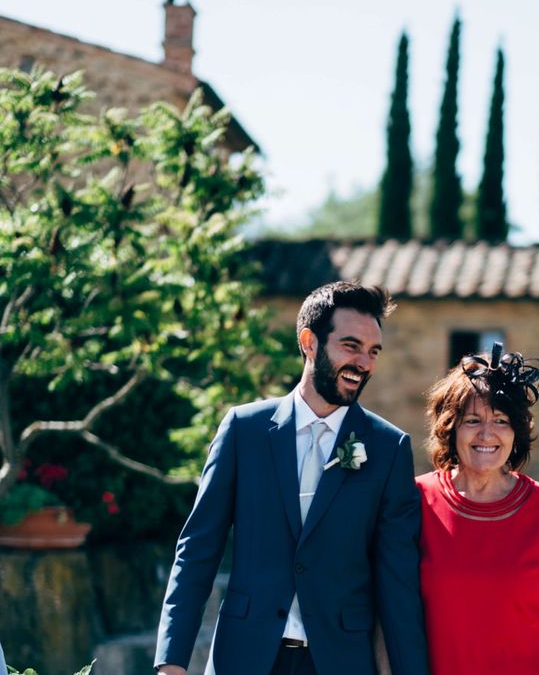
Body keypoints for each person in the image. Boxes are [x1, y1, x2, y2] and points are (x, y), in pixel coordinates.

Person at [155, 281, 429, 675]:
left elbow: (397, 580)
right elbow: (198, 548)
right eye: (351, 346)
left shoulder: (388, 449)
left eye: (373, 352)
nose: (364, 363)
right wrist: (171, 661)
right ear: (309, 342)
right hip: (244, 657)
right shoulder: (243, 430)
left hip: (340, 662)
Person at [417, 344, 539, 675]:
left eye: (501, 420)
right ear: (451, 428)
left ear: (517, 431)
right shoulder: (417, 501)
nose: (487, 434)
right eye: (472, 420)